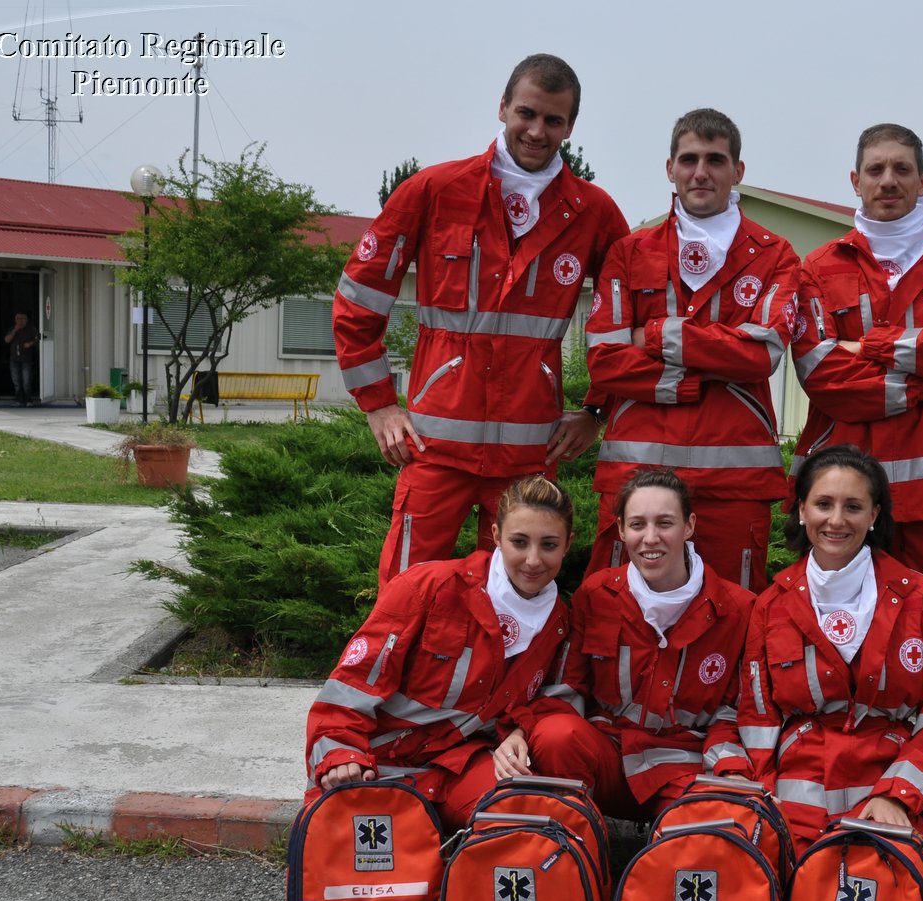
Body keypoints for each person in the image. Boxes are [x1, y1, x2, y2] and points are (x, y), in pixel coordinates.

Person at [788, 123, 923, 854]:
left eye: (901, 169)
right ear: (853, 181)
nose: (888, 181)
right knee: (846, 636)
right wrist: (921, 365)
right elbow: (821, 372)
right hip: (846, 495)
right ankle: (856, 770)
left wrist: (877, 347)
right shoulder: (819, 266)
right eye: (875, 169)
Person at [332, 54, 629, 584]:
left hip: (529, 454)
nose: (537, 131)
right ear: (503, 108)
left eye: (553, 120)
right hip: (433, 447)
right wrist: (378, 406)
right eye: (526, 113)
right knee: (408, 590)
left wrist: (594, 410)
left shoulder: (593, 211)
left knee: (519, 592)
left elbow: (627, 317)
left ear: (570, 126)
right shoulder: (435, 190)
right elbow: (358, 298)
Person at [583, 108, 798, 591]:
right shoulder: (628, 252)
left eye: (716, 159)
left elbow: (760, 356)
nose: (701, 172)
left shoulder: (776, 255)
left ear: (737, 171)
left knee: (734, 618)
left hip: (734, 485)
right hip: (634, 477)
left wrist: (655, 334)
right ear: (670, 168)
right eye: (689, 159)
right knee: (616, 612)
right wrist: (703, 371)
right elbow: (604, 361)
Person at [725, 445, 923, 849]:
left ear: (874, 516)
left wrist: (898, 795)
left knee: (870, 897)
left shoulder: (920, 599)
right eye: (823, 504)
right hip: (795, 793)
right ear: (802, 511)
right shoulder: (772, 605)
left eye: (853, 506)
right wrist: (761, 799)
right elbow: (758, 717)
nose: (836, 520)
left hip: (889, 789)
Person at [304, 475, 576, 831]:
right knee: (363, 867)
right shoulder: (427, 588)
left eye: (549, 545)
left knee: (521, 823)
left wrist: (520, 731)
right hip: (377, 761)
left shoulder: (559, 622)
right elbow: (348, 689)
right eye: (519, 542)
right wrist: (341, 755)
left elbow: (552, 700)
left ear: (567, 545)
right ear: (495, 536)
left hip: (462, 764)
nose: (533, 560)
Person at [526, 468, 754, 820]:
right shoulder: (596, 595)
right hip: (610, 756)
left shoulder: (738, 609)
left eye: (664, 523)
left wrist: (729, 771)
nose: (650, 538)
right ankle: (576, 851)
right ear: (620, 530)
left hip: (686, 767)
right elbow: (568, 689)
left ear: (689, 526)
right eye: (637, 525)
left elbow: (735, 713)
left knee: (706, 833)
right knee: (556, 734)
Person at [5, 312, 39, 407]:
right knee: (16, 381)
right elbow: (7, 340)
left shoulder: (31, 329)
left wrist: (30, 344)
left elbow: (38, 339)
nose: (20, 320)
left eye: (22, 318)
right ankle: (19, 400)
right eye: (18, 318)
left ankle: (29, 400)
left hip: (26, 359)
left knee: (26, 380)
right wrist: (14, 331)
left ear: (26, 320)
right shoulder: (12, 329)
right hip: (14, 359)